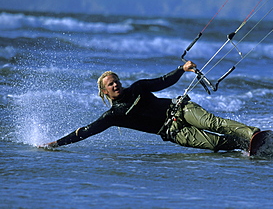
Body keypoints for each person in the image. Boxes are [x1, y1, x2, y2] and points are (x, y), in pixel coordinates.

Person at [38, 61, 260, 152]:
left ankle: (253, 133)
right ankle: (249, 145)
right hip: (173, 131)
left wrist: (181, 69)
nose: (115, 84)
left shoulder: (138, 87)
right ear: (104, 92)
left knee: (214, 123)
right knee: (214, 143)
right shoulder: (113, 115)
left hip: (180, 109)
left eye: (116, 81)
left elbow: (163, 81)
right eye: (110, 84)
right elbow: (86, 131)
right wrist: (56, 143)